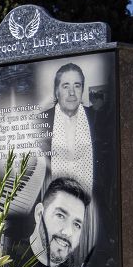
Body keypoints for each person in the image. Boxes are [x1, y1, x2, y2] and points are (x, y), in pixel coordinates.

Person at [13, 176, 89, 267]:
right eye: (60, 216)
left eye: (77, 224)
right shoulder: (9, 260)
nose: (68, 232)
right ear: (39, 214)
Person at [43, 63, 96, 192]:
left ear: (82, 90)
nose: (72, 92)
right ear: (56, 91)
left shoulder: (99, 119)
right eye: (65, 86)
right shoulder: (41, 121)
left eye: (77, 86)